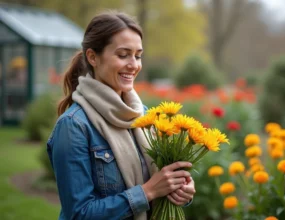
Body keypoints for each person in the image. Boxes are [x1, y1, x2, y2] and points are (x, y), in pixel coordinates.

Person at [47, 11, 195, 220]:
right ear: (93, 57)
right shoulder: (73, 126)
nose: (134, 65)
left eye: (138, 55)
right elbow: (78, 214)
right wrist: (147, 192)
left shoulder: (143, 115)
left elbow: (161, 181)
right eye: (123, 55)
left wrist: (180, 189)